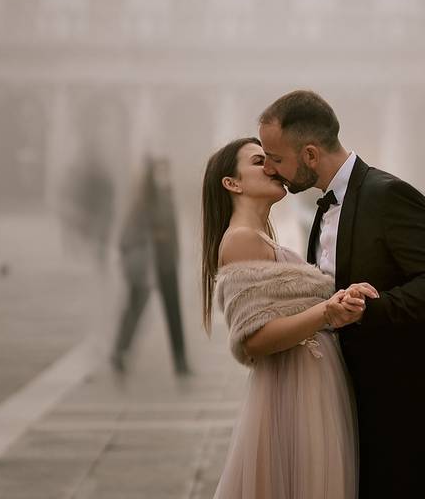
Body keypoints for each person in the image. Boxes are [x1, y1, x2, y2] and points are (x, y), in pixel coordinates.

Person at [259, 90, 425, 499]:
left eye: (275, 158)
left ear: (309, 154)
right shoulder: (325, 206)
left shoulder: (388, 195)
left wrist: (366, 310)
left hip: (404, 395)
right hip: (357, 393)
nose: (272, 170)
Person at [203, 137, 373, 499]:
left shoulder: (261, 239)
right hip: (293, 389)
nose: (272, 168)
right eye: (259, 161)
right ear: (232, 183)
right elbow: (253, 340)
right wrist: (326, 310)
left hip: (308, 383)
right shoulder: (242, 240)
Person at [111, 156, 190, 376]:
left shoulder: (168, 197)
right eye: (159, 171)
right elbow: (128, 234)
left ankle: (180, 360)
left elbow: (173, 232)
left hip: (165, 262)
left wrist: (175, 254)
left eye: (166, 171)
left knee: (173, 311)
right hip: (145, 264)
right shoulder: (142, 200)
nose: (163, 176)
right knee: (134, 309)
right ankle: (119, 351)